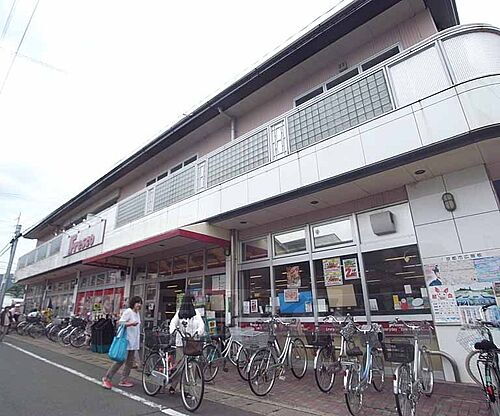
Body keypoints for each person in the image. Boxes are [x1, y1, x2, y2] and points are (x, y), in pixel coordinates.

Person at [102, 296, 142, 389]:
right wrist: (130, 324)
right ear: (133, 303)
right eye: (137, 302)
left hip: (133, 342)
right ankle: (107, 378)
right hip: (125, 340)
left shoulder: (137, 313)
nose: (139, 305)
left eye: (140, 303)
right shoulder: (128, 311)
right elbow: (120, 322)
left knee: (129, 362)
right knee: (120, 360)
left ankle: (123, 380)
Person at [168, 295, 205, 394]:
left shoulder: (196, 313)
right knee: (180, 366)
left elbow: (201, 325)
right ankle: (173, 385)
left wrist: (198, 332)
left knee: (192, 367)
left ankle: (188, 390)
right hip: (181, 343)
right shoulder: (179, 313)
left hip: (192, 343)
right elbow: (173, 323)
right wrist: (174, 331)